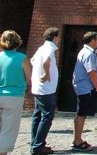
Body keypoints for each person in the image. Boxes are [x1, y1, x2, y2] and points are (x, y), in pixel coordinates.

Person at [0, 30, 31, 155]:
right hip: (14, 96)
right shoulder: (22, 58)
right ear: (17, 42)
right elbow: (28, 76)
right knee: (9, 128)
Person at [31, 27, 60, 155]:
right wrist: (47, 74)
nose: (59, 39)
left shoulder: (40, 48)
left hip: (37, 87)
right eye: (58, 37)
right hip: (46, 89)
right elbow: (46, 62)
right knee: (47, 116)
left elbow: (32, 60)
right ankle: (38, 145)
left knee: (37, 116)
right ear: (55, 37)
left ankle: (35, 143)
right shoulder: (50, 47)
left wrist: (39, 72)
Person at [72, 31, 97, 151]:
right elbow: (91, 71)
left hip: (82, 86)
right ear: (93, 40)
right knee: (81, 114)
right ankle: (77, 141)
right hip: (86, 87)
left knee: (81, 113)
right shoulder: (88, 53)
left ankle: (77, 138)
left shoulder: (84, 52)